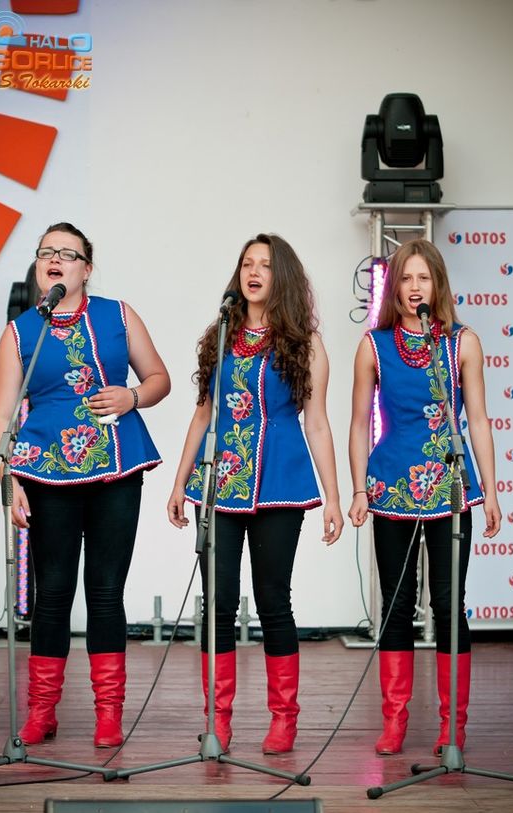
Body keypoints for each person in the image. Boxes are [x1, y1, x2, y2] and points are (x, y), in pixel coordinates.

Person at [0, 222, 171, 748]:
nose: (55, 259)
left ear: (86, 269)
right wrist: (11, 483)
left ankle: (108, 713)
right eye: (46, 251)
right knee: (52, 594)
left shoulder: (119, 314)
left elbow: (158, 378)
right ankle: (41, 711)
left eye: (67, 253)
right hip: (45, 471)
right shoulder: (20, 332)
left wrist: (131, 397)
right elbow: (2, 415)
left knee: (106, 592)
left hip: (116, 466)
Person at [167, 233, 343, 754]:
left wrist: (334, 497)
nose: (253, 271)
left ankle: (284, 719)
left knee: (272, 601)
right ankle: (217, 722)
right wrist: (179, 482)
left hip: (280, 482)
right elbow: (203, 414)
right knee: (217, 603)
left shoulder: (305, 344)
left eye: (265, 264)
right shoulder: (219, 335)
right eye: (247, 263)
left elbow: (317, 423)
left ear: (280, 276)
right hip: (220, 483)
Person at [348, 238, 501, 757]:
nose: (415, 287)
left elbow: (478, 420)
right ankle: (394, 722)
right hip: (391, 486)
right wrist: (358, 488)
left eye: (424, 278)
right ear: (394, 288)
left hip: (451, 487)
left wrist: (491, 491)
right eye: (407, 278)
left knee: (449, 604)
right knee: (395, 606)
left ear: (438, 285)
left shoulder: (463, 343)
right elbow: (357, 423)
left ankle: (452, 727)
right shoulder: (374, 346)